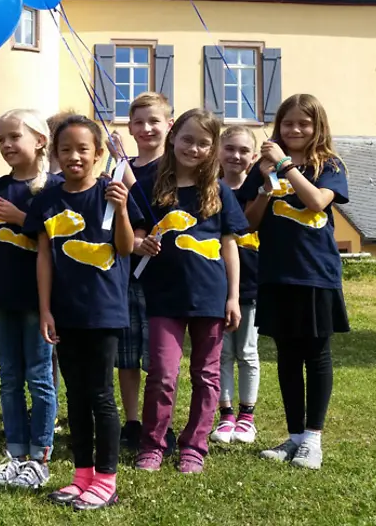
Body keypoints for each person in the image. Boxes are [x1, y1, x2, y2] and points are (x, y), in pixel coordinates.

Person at [28, 115, 140, 510]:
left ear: (97, 154)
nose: (74, 156)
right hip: (65, 310)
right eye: (65, 149)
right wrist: (45, 309)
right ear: (55, 154)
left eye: (82, 149)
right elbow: (43, 257)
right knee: (74, 395)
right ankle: (82, 475)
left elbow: (126, 248)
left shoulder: (111, 193)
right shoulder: (47, 200)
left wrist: (122, 210)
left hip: (104, 312)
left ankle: (106, 479)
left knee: (99, 395)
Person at [131, 108, 247, 474]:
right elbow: (132, 232)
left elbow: (230, 247)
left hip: (210, 297)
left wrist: (233, 297)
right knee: (163, 373)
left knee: (206, 375)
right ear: (173, 137)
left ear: (212, 148)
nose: (193, 148)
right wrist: (139, 244)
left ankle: (194, 446)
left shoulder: (219, 191)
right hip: (163, 295)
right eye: (187, 139)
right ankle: (153, 444)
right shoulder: (149, 183)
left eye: (202, 143)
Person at [241, 94, 349, 470]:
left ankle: (314, 439)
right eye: (288, 124)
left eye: (303, 123)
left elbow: (318, 201)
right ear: (278, 127)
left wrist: (286, 166)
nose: (295, 130)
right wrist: (264, 187)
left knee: (316, 355)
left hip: (316, 275)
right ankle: (295, 436)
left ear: (317, 126)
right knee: (287, 357)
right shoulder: (264, 168)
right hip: (275, 274)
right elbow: (249, 223)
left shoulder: (329, 165)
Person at [0, 110, 60, 489]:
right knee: (8, 377)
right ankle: (15, 452)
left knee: (40, 377)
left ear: (39, 141)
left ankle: (40, 456)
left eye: (14, 137)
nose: (6, 145)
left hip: (38, 301)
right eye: (2, 139)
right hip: (3, 298)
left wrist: (20, 217)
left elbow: (56, 241)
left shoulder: (53, 188)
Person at [112, 92, 176, 453]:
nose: (147, 128)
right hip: (128, 273)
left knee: (160, 359)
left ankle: (159, 423)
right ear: (130, 127)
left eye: (154, 121)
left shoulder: (177, 166)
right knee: (127, 353)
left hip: (165, 277)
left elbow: (156, 207)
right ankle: (133, 421)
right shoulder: (121, 166)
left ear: (169, 124)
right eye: (139, 122)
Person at [210, 127, 262, 445]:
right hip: (216, 286)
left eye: (244, 150)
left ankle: (247, 417)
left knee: (247, 351)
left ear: (253, 157)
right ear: (218, 152)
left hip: (252, 286)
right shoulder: (210, 191)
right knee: (222, 354)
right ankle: (226, 416)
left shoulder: (259, 193)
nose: (236, 156)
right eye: (229, 149)